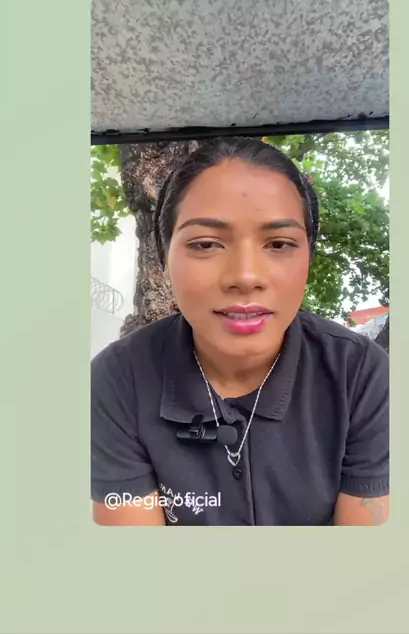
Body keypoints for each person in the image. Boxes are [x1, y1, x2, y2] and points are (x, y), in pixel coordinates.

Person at [91, 136, 389, 526]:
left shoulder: (360, 375)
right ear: (164, 257)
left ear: (309, 257)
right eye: (206, 244)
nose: (246, 277)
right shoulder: (118, 380)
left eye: (279, 244)